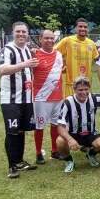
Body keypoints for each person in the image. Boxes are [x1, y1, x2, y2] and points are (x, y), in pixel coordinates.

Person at [0, 21, 37, 178]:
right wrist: (25, 64)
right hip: (11, 100)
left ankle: (19, 161)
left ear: (27, 34)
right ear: (12, 33)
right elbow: (3, 69)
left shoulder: (27, 50)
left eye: (24, 32)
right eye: (18, 32)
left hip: (26, 98)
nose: (21, 34)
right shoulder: (6, 49)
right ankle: (11, 166)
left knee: (21, 131)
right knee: (12, 131)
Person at [56, 77, 100, 173]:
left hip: (90, 134)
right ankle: (69, 161)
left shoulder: (94, 98)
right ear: (74, 89)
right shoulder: (68, 102)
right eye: (80, 90)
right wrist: (70, 140)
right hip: (73, 134)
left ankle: (90, 154)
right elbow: (60, 127)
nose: (84, 92)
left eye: (86, 89)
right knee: (60, 141)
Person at [32, 29, 64, 164]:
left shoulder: (59, 54)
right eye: (46, 38)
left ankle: (54, 150)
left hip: (58, 96)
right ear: (40, 39)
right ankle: (38, 153)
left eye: (52, 38)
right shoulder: (34, 54)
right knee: (39, 126)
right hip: (41, 98)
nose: (50, 40)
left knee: (55, 125)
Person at [55, 18, 99, 97]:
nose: (83, 29)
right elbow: (53, 52)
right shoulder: (67, 41)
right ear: (75, 28)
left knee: (85, 108)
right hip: (71, 84)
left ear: (88, 29)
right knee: (70, 108)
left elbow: (97, 59)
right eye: (80, 26)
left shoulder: (91, 43)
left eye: (85, 27)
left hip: (86, 84)